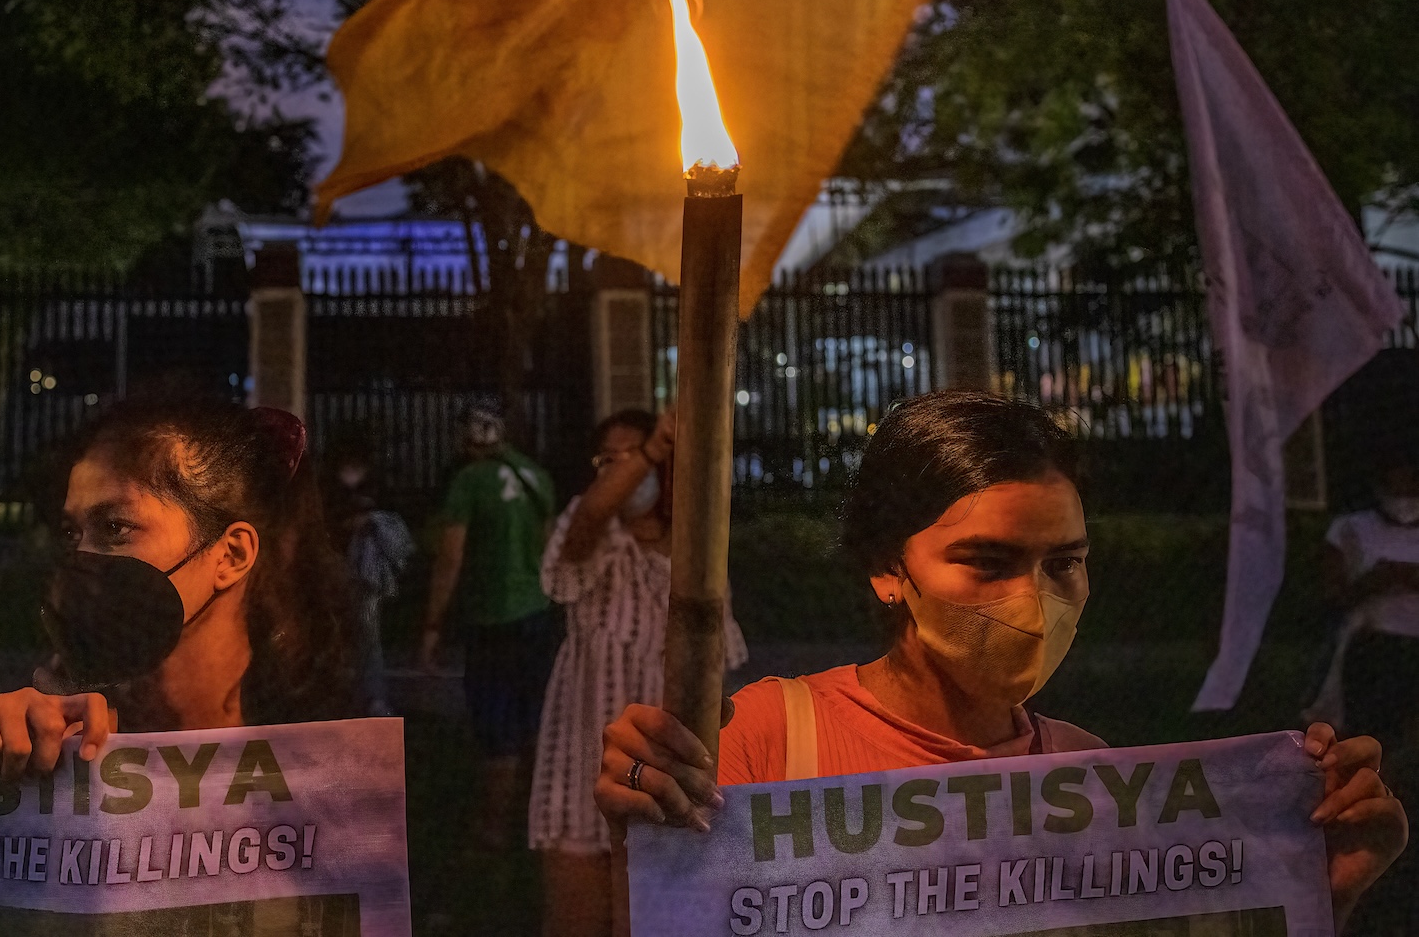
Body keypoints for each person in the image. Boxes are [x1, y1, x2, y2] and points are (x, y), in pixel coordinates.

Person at [595, 391, 1408, 934]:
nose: (1035, 601)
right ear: (889, 568)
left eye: (1064, 562)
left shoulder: (1095, 780)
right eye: (986, 560)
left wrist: (1317, 890)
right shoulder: (764, 742)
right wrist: (647, 834)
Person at [0, 396, 359, 778]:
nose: (82, 557)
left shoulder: (326, 760)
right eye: (72, 532)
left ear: (231, 556)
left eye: (115, 527)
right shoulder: (58, 734)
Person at [529, 409, 746, 937]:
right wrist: (647, 451)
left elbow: (724, 677)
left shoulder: (698, 557)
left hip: (671, 782)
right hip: (581, 772)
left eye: (640, 458)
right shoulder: (595, 543)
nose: (623, 473)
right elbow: (586, 521)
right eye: (609, 461)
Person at [420, 399, 558, 849]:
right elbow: (549, 546)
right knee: (534, 718)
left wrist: (433, 625)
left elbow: (450, 557)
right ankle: (537, 823)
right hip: (537, 613)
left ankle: (493, 830)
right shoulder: (535, 476)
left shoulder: (468, 481)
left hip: (491, 617)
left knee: (496, 725)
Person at [1304, 450, 1419, 933]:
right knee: (1377, 748)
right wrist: (1376, 581)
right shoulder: (1351, 528)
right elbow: (1331, 593)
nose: (1402, 478)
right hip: (1374, 654)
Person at [323, 437, 415, 717]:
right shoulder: (330, 487)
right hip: (337, 566)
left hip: (362, 572)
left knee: (366, 636)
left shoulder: (373, 487)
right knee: (342, 635)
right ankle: (355, 696)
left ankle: (370, 696)